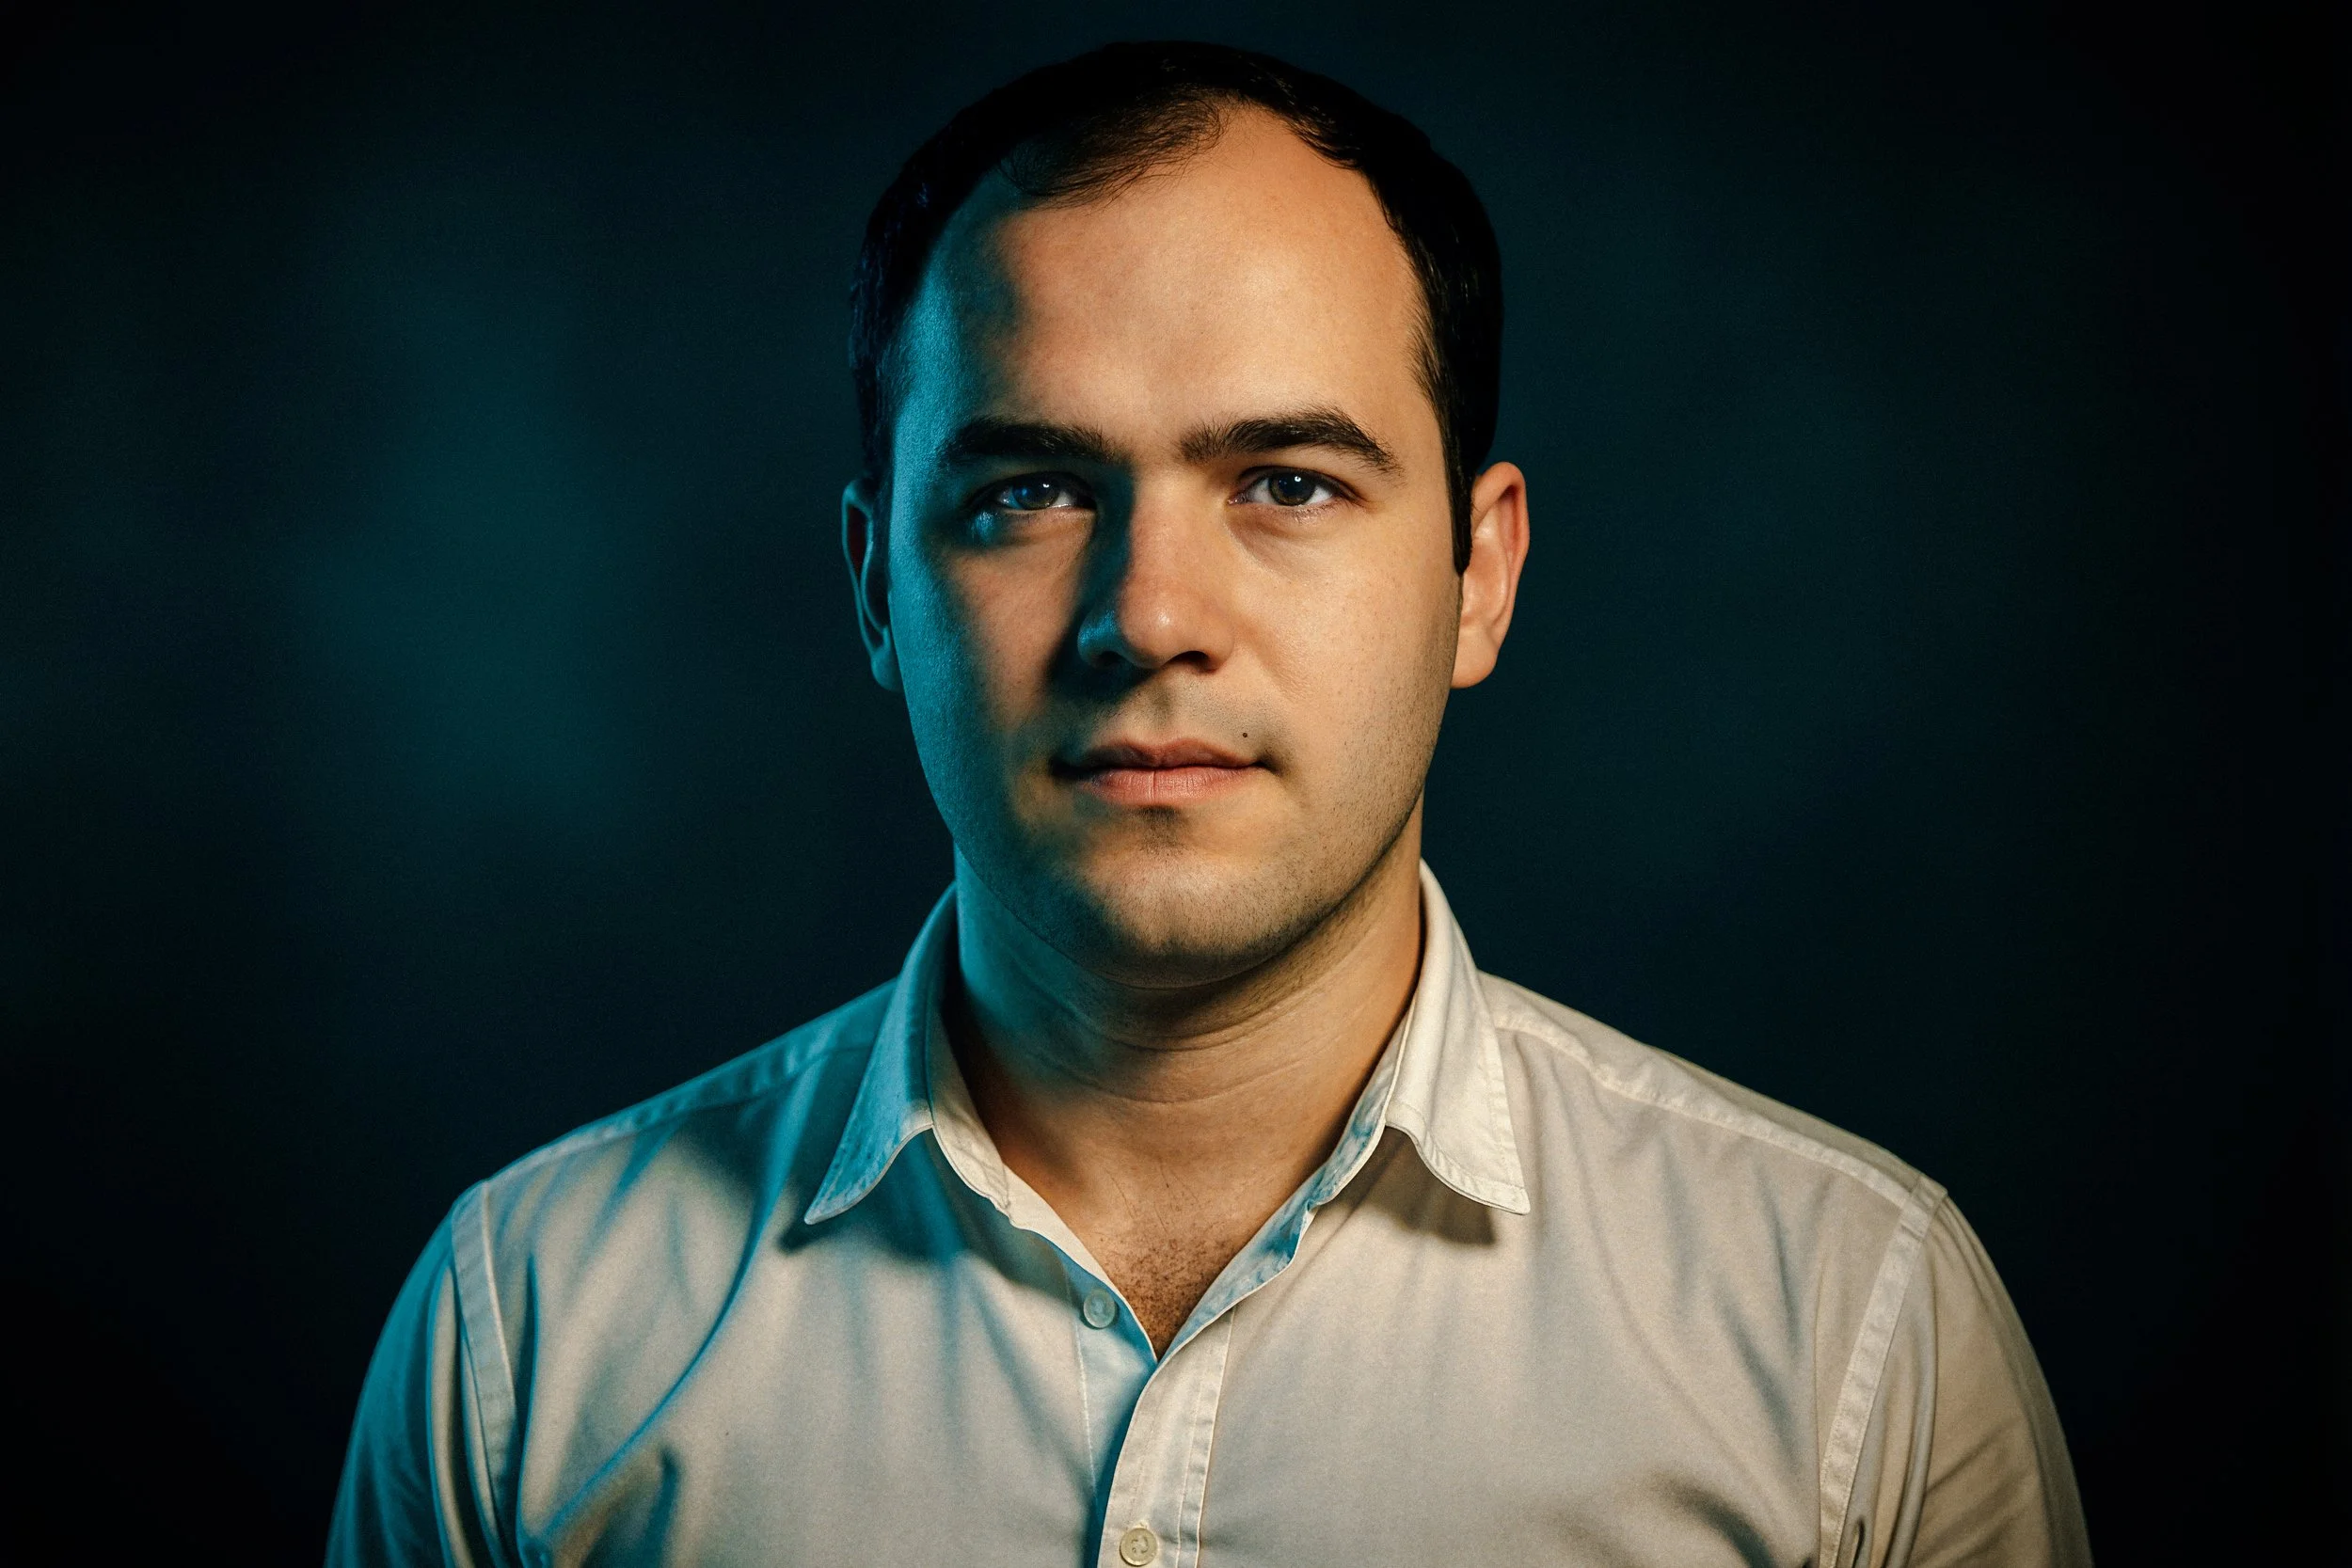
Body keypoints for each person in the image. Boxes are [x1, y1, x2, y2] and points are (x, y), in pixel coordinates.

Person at [328, 40, 2090, 1568]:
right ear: (877, 588)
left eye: (1290, 482)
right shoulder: (530, 1335)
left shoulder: (1855, 1331)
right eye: (1029, 488)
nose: (1149, 616)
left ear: (1479, 576)